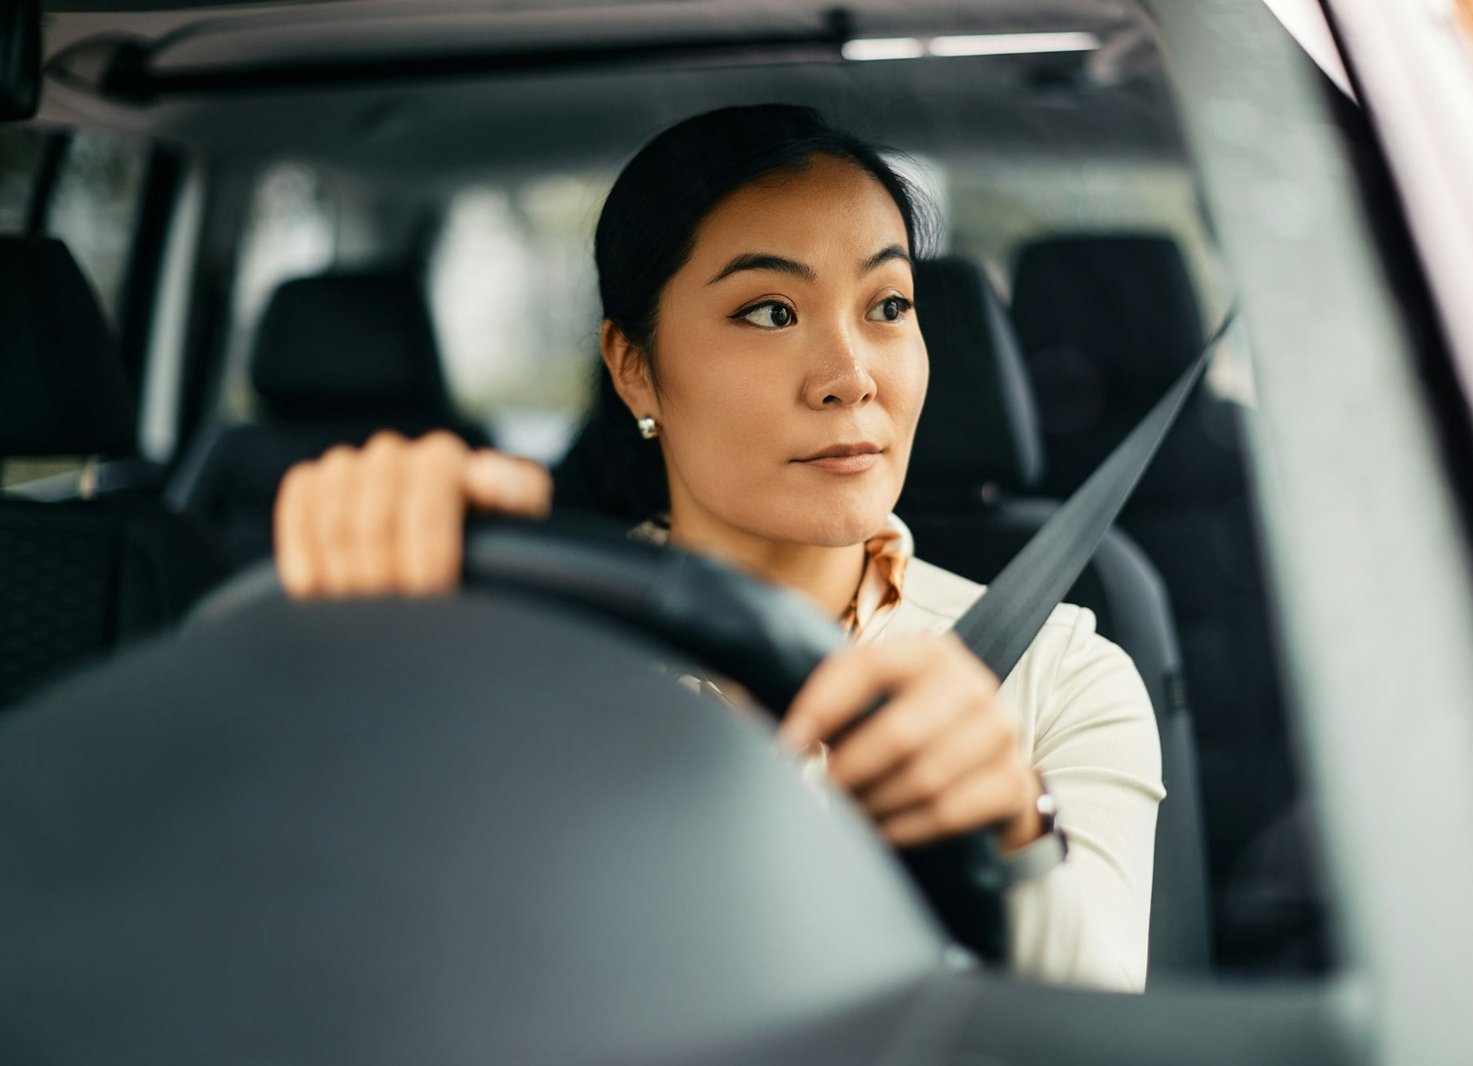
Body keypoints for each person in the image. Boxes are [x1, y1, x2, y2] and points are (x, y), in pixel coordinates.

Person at [272, 104, 1164, 991]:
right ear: (634, 368)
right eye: (771, 311)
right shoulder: (522, 657)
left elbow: (1111, 1035)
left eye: (888, 305)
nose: (851, 375)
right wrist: (374, 641)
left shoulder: (1062, 674)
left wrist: (1012, 835)